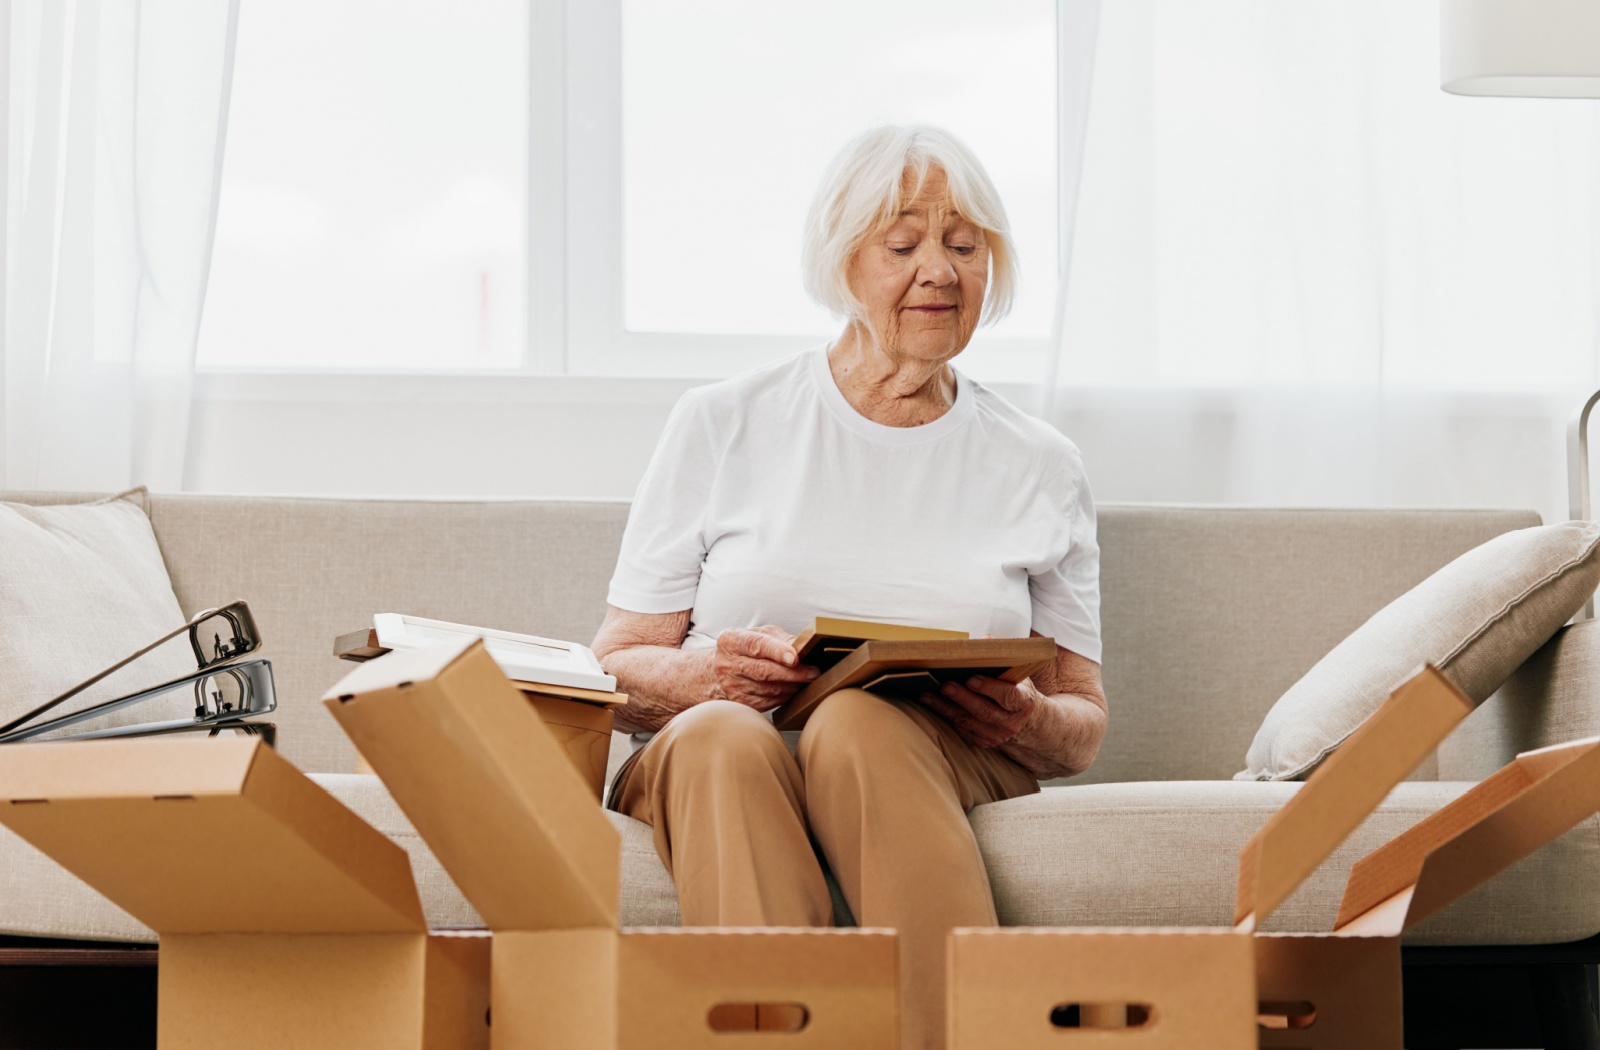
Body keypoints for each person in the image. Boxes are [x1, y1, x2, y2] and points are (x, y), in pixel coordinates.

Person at [592, 124, 1107, 1050]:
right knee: (720, 736)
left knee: (861, 720)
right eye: (904, 244)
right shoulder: (724, 421)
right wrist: (712, 680)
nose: (940, 272)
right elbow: (616, 668)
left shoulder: (1041, 463)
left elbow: (1082, 722)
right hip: (717, 748)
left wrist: (1025, 720)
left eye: (964, 245)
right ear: (841, 261)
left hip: (943, 756)